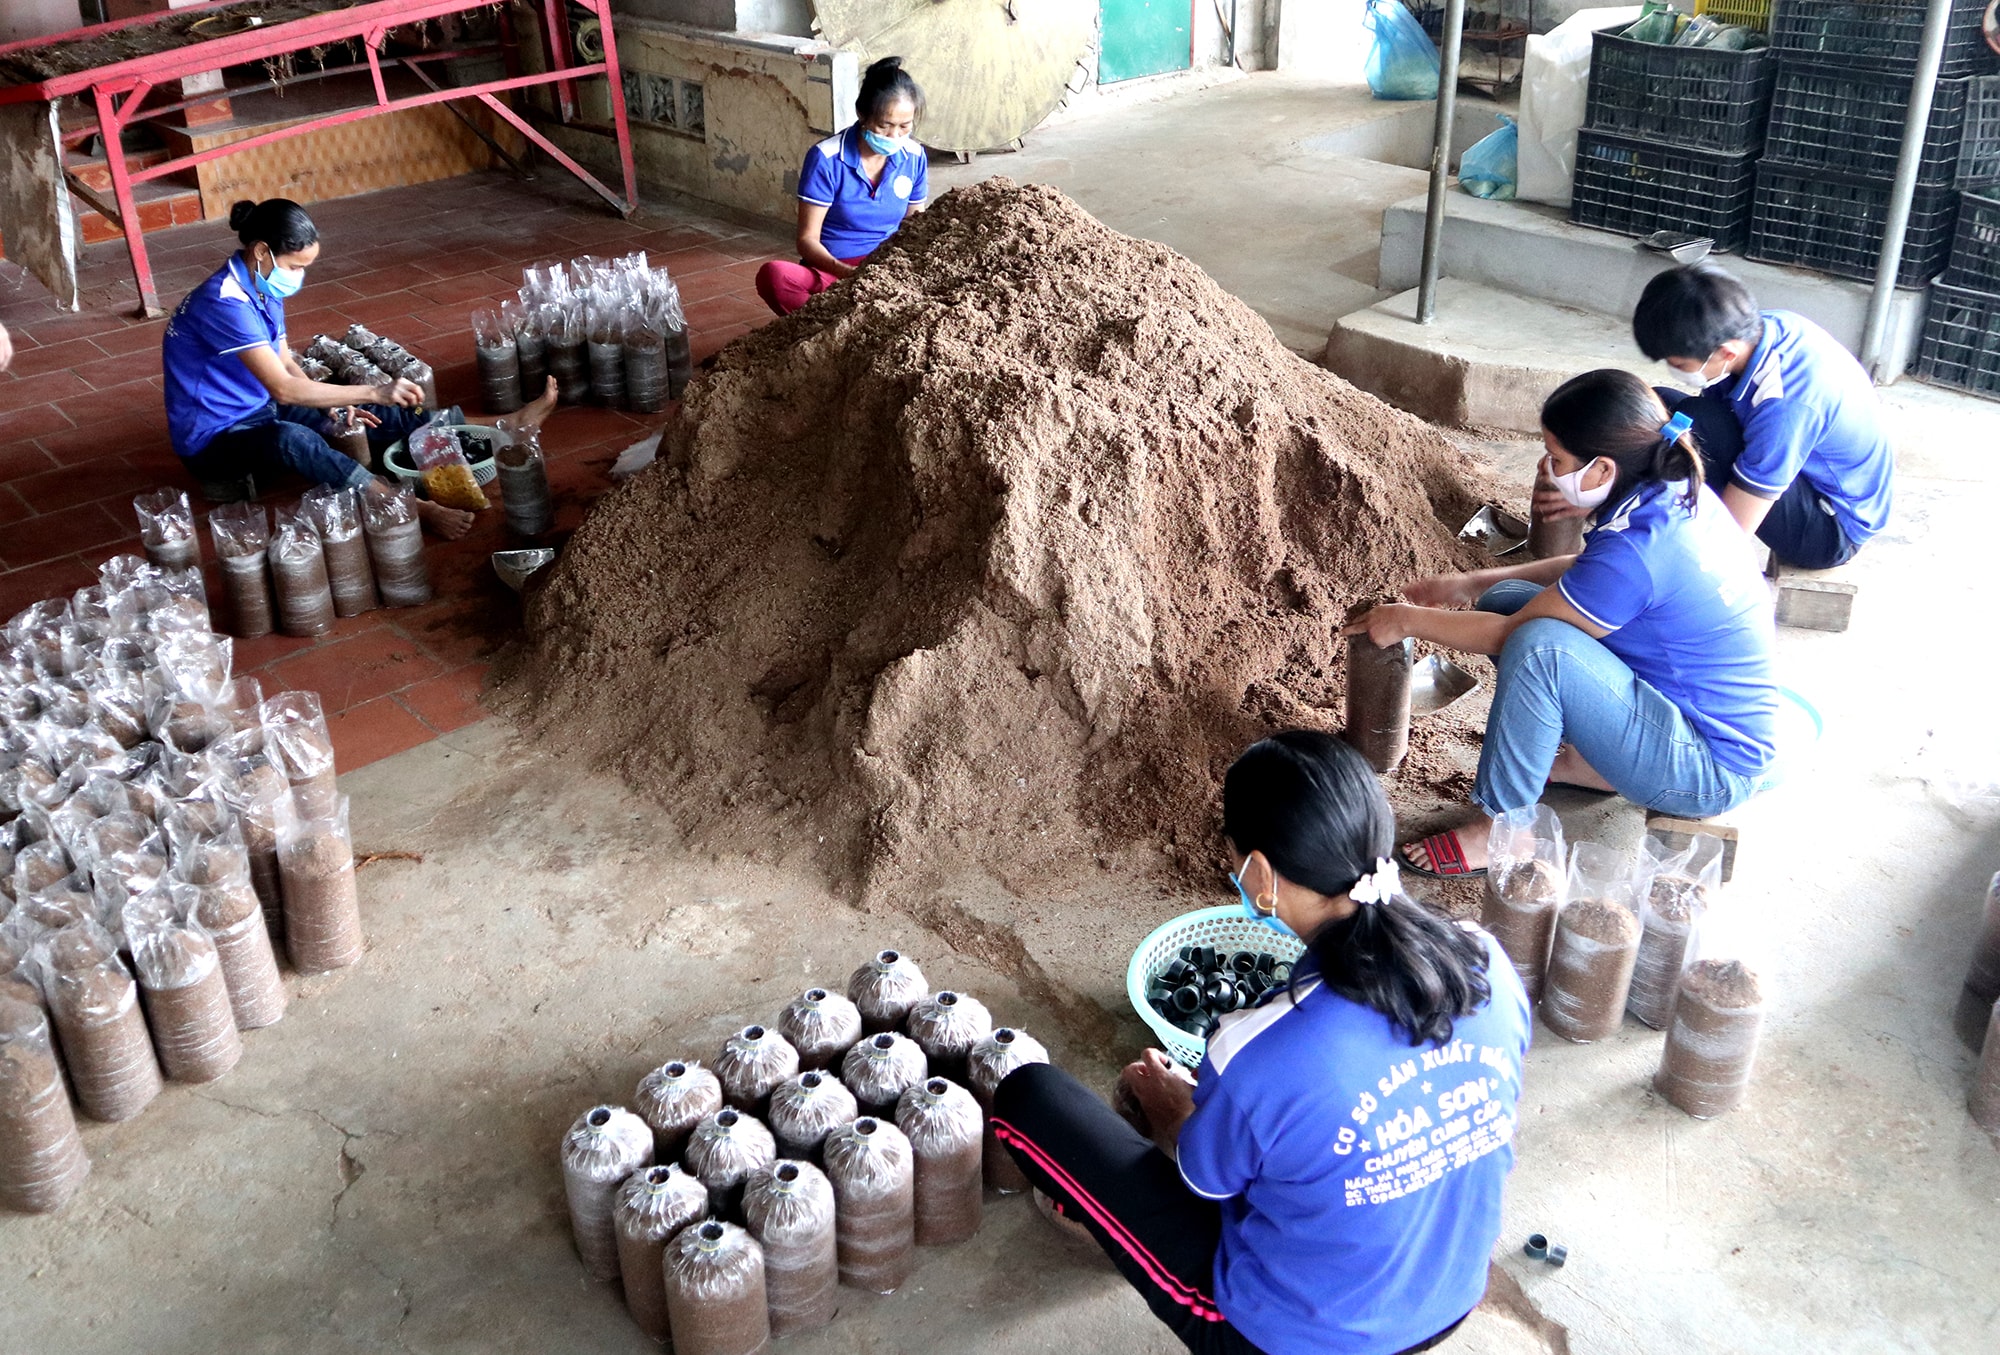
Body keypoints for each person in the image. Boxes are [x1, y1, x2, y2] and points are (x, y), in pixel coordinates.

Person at [991, 730, 1530, 1355]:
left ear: (1263, 876)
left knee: (1030, 1097)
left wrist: (1175, 1105)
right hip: (1451, 1297)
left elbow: (1205, 1180)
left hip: (1288, 1339)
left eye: (1238, 858)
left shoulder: (1258, 1049)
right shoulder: (1486, 959)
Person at [1356, 369, 1779, 877]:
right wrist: (1472, 583)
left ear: (1601, 470)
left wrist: (1407, 620)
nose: (1546, 468)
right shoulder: (1666, 493)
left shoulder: (1639, 548)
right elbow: (1586, 571)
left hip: (1705, 767)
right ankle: (1590, 763)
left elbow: (1509, 637)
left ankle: (1503, 832)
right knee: (1512, 598)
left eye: (1557, 460)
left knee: (1539, 647)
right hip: (1682, 714)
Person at [162, 198, 555, 539]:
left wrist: (331, 406)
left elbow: (284, 361)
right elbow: (283, 387)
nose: (298, 277)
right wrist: (370, 390)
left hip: (257, 405)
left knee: (371, 417)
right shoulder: (225, 304)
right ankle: (410, 508)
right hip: (214, 439)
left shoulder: (259, 283)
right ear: (262, 252)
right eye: (295, 266)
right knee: (296, 440)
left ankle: (505, 428)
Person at [1536, 264, 1893, 571]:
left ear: (1724, 351)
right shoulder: (1759, 330)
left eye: (1679, 365)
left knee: (1688, 424)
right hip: (1801, 477)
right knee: (1653, 408)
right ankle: (1615, 506)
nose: (1675, 370)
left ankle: (1627, 524)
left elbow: (1735, 532)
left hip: (1830, 526)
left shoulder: (1786, 406)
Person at [754, 57, 928, 317]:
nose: (895, 137)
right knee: (775, 277)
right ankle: (832, 324)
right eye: (884, 126)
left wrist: (892, 273)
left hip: (889, 270)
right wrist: (848, 274)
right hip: (833, 271)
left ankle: (845, 319)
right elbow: (807, 240)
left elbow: (916, 226)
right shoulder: (826, 158)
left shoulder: (914, 157)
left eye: (905, 127)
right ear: (862, 114)